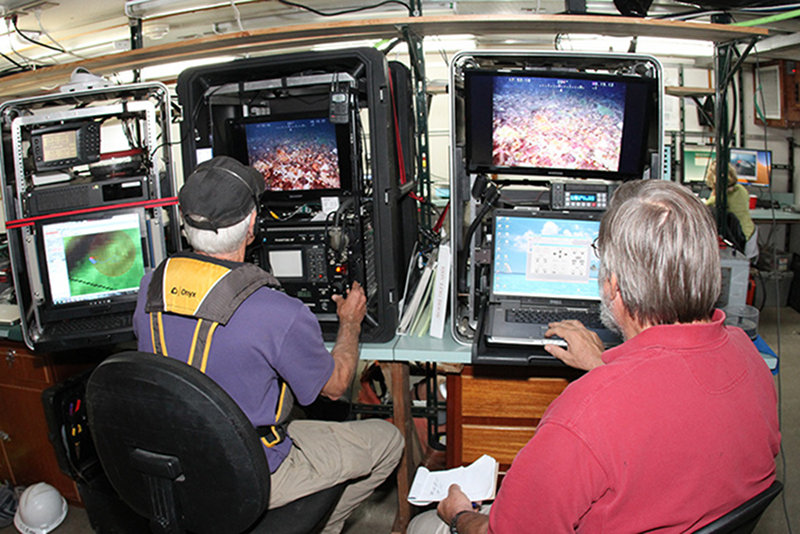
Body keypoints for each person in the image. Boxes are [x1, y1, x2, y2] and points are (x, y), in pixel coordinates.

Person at [409, 180, 779, 533]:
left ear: (613, 285)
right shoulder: (749, 357)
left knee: (422, 525)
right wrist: (604, 366)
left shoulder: (583, 417)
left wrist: (458, 516)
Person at [132, 156, 403, 534]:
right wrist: (349, 324)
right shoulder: (277, 311)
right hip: (249, 472)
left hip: (177, 463)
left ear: (183, 222)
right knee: (388, 440)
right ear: (252, 225)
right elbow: (337, 385)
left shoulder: (150, 287)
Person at [705, 160, 758, 260]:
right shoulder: (742, 189)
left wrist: (714, 193)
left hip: (737, 239)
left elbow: (702, 208)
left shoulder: (720, 198)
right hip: (750, 234)